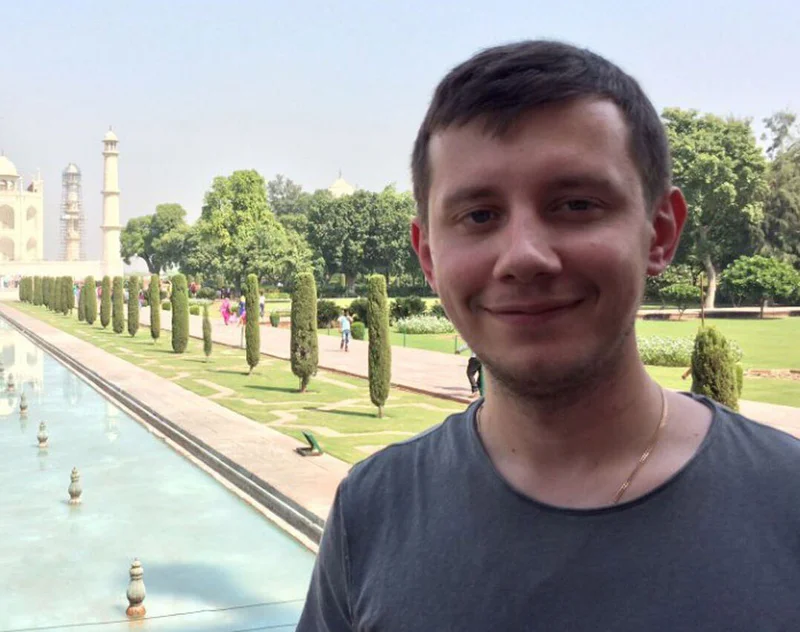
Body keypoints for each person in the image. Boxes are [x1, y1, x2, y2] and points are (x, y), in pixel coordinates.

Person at [297, 41, 800, 631]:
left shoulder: (786, 501)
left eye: (576, 204)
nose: (524, 256)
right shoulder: (370, 512)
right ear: (428, 256)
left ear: (660, 232)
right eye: (479, 215)